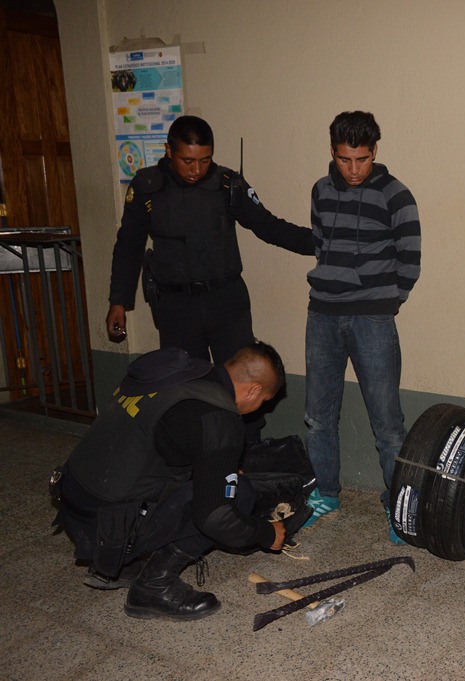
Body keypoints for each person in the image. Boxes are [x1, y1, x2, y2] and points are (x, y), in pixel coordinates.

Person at [54, 342, 310, 621]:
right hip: (106, 524)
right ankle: (153, 585)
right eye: (263, 402)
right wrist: (265, 533)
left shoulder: (182, 375)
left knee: (219, 481)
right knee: (239, 494)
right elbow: (215, 518)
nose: (259, 409)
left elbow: (169, 441)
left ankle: (119, 563)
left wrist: (218, 466)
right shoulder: (219, 419)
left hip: (74, 498)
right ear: (253, 390)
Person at [105, 115, 314, 365]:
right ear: (168, 151)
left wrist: (323, 243)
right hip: (176, 305)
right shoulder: (146, 186)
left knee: (239, 381)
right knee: (188, 387)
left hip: (225, 301)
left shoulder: (227, 184)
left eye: (205, 160)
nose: (197, 170)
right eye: (188, 161)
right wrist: (118, 301)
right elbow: (129, 245)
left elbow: (268, 226)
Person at [302, 111, 421, 543]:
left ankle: (398, 504)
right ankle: (326, 495)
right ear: (332, 152)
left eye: (362, 159)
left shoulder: (396, 195)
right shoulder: (320, 190)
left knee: (387, 424)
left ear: (376, 151)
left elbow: (410, 261)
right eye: (344, 159)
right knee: (318, 416)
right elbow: (320, 243)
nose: (353, 169)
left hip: (372, 319)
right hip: (322, 316)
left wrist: (384, 303)